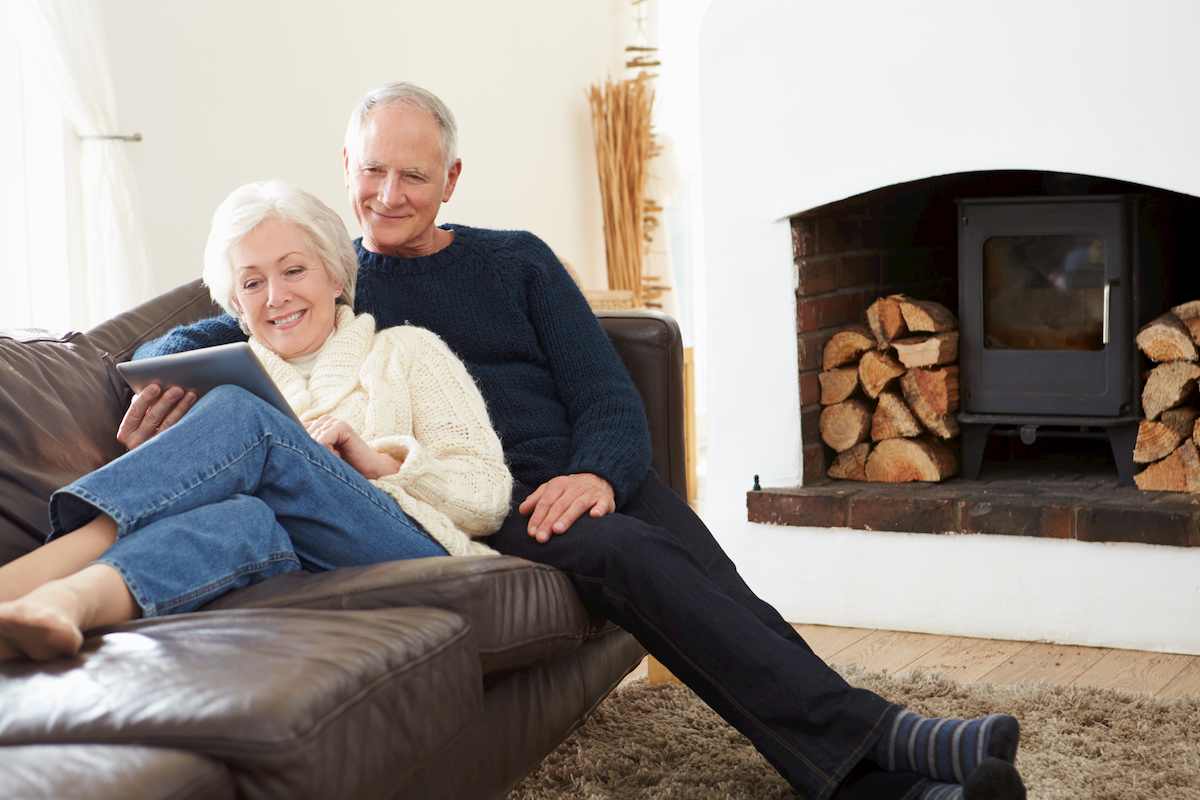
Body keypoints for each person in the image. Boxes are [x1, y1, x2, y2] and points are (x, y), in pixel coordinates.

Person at [119, 84, 1026, 800]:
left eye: (413, 176)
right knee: (632, 553)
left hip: (580, 474)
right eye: (370, 173)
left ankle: (864, 770)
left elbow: (605, 392)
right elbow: (208, 327)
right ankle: (890, 738)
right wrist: (162, 368)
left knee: (712, 579)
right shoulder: (334, 281)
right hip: (483, 493)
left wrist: (600, 470)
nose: (388, 196)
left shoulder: (516, 260)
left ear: (452, 179)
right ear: (345, 168)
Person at [0, 180, 511, 662]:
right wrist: (154, 455)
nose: (275, 297)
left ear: (335, 275)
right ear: (238, 307)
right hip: (281, 560)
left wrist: (379, 464)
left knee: (246, 415)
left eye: (293, 271)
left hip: (406, 553)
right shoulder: (217, 381)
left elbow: (485, 496)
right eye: (252, 282)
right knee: (240, 517)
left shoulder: (409, 351)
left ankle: (24, 576)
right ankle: (55, 607)